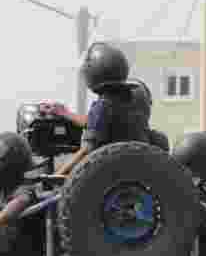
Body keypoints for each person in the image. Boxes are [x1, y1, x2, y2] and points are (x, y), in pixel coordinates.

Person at [52, 42, 151, 178]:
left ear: (92, 72)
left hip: (110, 176)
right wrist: (65, 113)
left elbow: (87, 150)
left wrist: (56, 175)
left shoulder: (103, 106)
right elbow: (94, 122)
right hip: (138, 171)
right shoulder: (130, 103)